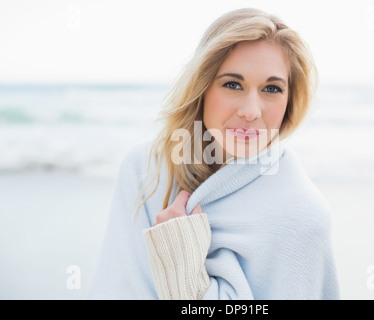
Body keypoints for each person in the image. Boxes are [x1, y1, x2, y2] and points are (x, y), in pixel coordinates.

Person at [87, 7, 340, 300]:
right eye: (233, 84)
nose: (250, 112)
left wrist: (182, 275)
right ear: (203, 86)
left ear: (290, 101)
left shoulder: (303, 219)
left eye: (272, 89)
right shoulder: (145, 169)